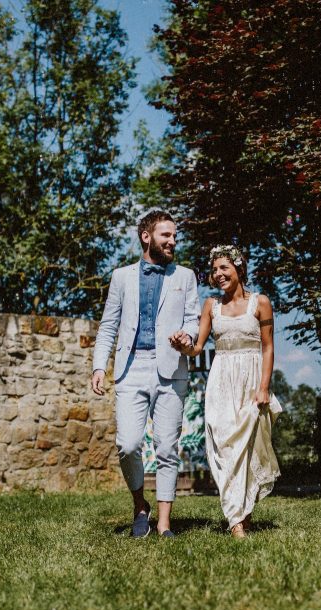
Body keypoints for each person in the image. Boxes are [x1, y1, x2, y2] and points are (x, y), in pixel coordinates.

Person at [91, 209, 200, 538]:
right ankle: (141, 505)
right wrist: (99, 365)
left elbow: (194, 319)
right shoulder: (121, 277)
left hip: (171, 368)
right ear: (146, 236)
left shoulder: (185, 276)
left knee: (167, 447)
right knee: (128, 443)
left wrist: (187, 336)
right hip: (131, 367)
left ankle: (164, 523)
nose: (172, 240)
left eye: (174, 236)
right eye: (166, 235)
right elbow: (109, 325)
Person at [173, 245, 281, 538]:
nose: (218, 274)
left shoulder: (260, 303)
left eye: (224, 268)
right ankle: (236, 517)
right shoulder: (211, 306)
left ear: (239, 268)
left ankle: (239, 517)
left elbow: (268, 347)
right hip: (221, 381)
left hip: (251, 381)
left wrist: (263, 387)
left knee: (246, 449)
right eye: (214, 269)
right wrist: (183, 346)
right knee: (223, 446)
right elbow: (196, 348)